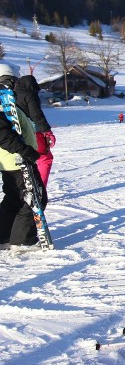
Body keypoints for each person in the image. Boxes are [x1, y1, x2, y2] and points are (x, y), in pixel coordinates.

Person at [0, 62, 45, 250]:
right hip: (16, 160)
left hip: (12, 160)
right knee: (34, 197)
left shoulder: (8, 101)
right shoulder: (3, 102)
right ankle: (22, 240)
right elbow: (4, 135)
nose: (17, 85)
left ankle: (4, 237)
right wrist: (26, 151)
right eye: (15, 82)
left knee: (14, 198)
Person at [14, 72, 55, 188]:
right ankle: (39, 189)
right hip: (32, 131)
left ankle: (23, 189)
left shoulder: (12, 94)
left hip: (15, 132)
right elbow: (36, 115)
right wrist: (47, 131)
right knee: (45, 158)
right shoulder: (30, 95)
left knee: (22, 160)